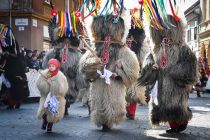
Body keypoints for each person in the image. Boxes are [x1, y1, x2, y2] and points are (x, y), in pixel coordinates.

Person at [79, 13, 140, 131]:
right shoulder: (96, 47)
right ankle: (103, 121)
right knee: (99, 103)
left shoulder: (123, 50)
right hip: (98, 83)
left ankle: (110, 120)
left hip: (114, 83)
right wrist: (94, 63)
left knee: (113, 104)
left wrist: (120, 69)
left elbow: (133, 72)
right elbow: (83, 67)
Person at [138, 15, 197, 133]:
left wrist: (173, 71)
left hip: (176, 85)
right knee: (163, 105)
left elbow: (190, 67)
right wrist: (151, 67)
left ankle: (181, 123)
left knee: (177, 105)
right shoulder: (155, 50)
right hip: (161, 86)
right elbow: (146, 67)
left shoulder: (183, 49)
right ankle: (173, 125)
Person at [37, 58, 68, 133]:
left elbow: (63, 88)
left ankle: (50, 125)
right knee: (44, 110)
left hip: (56, 98)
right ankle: (45, 121)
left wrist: (52, 85)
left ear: (56, 66)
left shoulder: (60, 76)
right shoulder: (45, 74)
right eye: (50, 66)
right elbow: (39, 84)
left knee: (52, 112)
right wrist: (46, 85)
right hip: (46, 97)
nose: (51, 67)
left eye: (53, 66)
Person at [125, 26, 148, 120]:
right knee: (130, 93)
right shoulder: (141, 46)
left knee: (131, 93)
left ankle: (130, 112)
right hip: (130, 71)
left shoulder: (141, 47)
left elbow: (144, 61)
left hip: (133, 71)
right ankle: (130, 112)